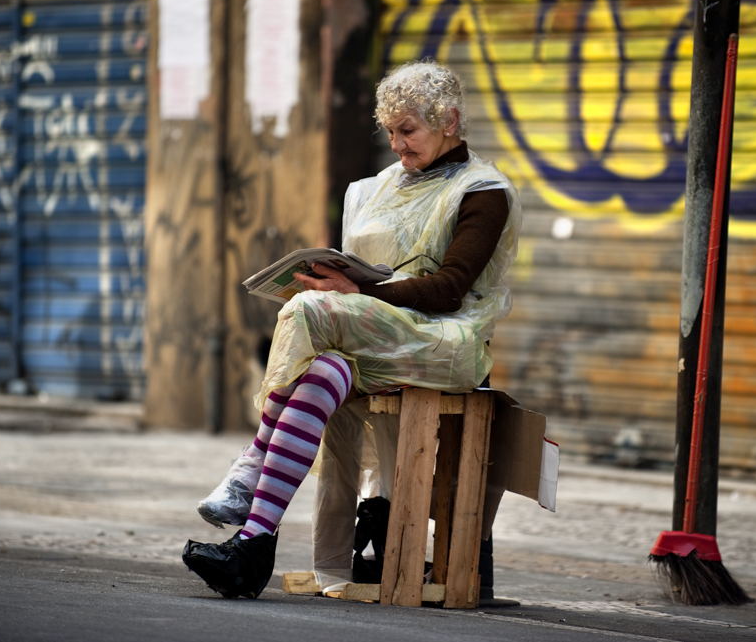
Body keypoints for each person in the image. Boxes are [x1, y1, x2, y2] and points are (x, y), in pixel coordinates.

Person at [181, 59, 522, 599]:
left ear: (449, 121)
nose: (397, 146)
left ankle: (251, 466)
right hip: (374, 336)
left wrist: (356, 293)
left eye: (408, 130)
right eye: (390, 132)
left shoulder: (483, 191)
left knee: (309, 310)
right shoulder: (377, 187)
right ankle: (253, 544)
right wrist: (340, 281)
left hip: (445, 341)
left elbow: (450, 289)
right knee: (324, 369)